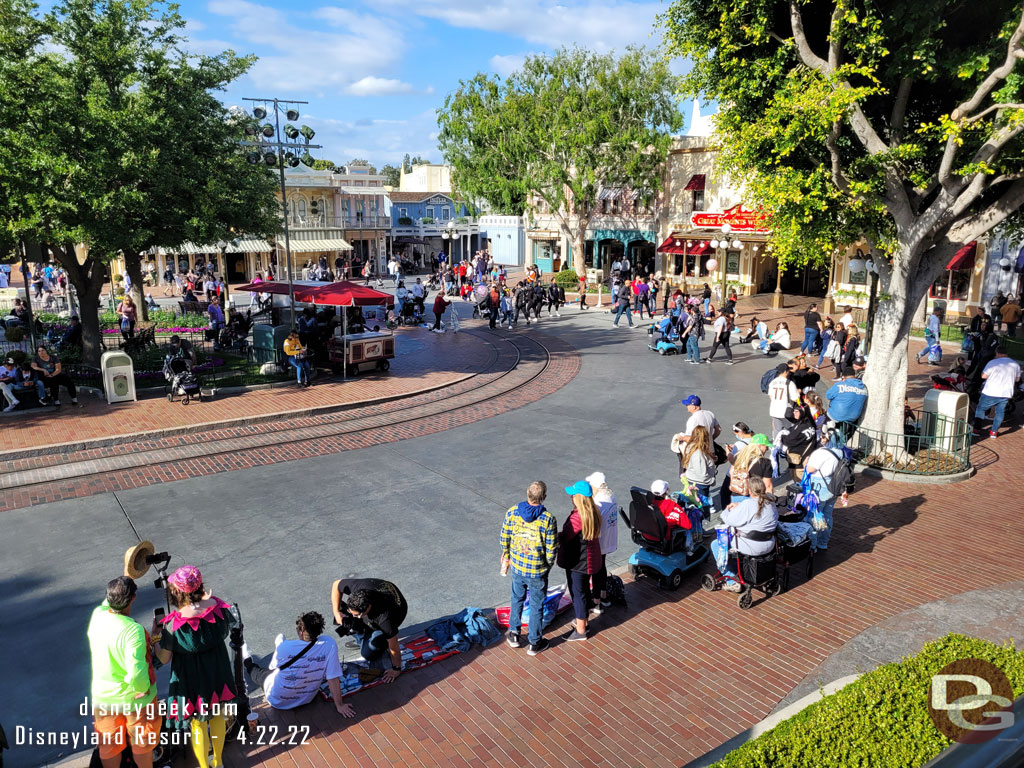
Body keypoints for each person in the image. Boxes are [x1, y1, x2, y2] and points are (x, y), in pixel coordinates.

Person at [151, 566, 235, 768]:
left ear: (177, 592)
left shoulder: (175, 625)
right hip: (217, 670)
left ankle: (205, 766)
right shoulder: (218, 608)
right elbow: (227, 630)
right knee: (216, 716)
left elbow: (163, 658)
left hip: (192, 678)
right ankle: (219, 762)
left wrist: (155, 638)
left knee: (197, 723)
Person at [87, 577, 160, 768]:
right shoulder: (133, 631)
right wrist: (142, 687)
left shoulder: (98, 616)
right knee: (141, 744)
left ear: (109, 598)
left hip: (105, 701)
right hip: (135, 702)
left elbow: (105, 604)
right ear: (134, 598)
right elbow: (137, 673)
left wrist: (126, 574)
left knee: (109, 746)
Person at [242, 611, 352, 717]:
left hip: (278, 700)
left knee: (257, 673)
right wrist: (340, 705)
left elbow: (273, 667)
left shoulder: (285, 647)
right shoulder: (329, 644)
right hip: (307, 698)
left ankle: (246, 658)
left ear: (300, 631)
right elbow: (333, 678)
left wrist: (280, 646)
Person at [500, 481, 558, 655]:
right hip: (537, 570)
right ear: (544, 497)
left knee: (516, 598)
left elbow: (504, 538)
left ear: (527, 494)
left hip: (518, 566)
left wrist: (507, 556)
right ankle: (534, 641)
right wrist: (548, 564)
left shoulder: (512, 512)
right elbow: (551, 548)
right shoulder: (548, 518)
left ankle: (514, 633)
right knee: (536, 604)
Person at [330, 578, 407, 681]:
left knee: (368, 652)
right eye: (351, 611)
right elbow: (336, 584)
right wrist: (336, 612)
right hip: (373, 613)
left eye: (357, 615)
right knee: (342, 615)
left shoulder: (384, 619)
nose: (353, 615)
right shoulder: (359, 588)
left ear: (368, 607)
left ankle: (373, 639)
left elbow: (394, 647)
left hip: (394, 615)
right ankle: (362, 636)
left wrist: (396, 669)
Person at [711, 476, 779, 591]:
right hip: (769, 545)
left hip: (750, 546)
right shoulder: (771, 503)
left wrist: (727, 510)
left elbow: (728, 520)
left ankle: (731, 579)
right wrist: (740, 506)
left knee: (715, 544)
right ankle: (740, 570)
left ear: (750, 490)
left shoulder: (748, 504)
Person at [557, 481, 602, 642]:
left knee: (578, 594)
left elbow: (565, 536)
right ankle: (583, 620)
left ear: (580, 498)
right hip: (589, 560)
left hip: (578, 563)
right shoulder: (594, 512)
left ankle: (581, 629)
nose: (571, 497)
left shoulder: (577, 518)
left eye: (574, 494)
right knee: (583, 592)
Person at [972, 346, 1021, 439]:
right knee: (1000, 412)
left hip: (990, 392)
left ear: (997, 353)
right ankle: (994, 432)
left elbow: (983, 376)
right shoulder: (1015, 364)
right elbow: (1017, 379)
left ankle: (976, 430)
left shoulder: (993, 362)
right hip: (1006, 393)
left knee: (980, 410)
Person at [584, 472, 617, 611]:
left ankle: (596, 600)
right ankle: (603, 595)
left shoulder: (598, 502)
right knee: (602, 566)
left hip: (600, 541)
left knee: (596, 569)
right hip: (609, 539)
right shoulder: (611, 496)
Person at [802, 446, 844, 550]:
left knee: (814, 515)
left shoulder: (821, 453)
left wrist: (805, 462)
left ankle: (812, 545)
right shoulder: (840, 451)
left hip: (819, 486)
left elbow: (809, 469)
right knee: (827, 515)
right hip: (833, 485)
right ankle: (823, 542)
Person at [649, 479, 696, 554]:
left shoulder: (646, 502)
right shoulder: (672, 506)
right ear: (666, 492)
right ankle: (689, 548)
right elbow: (688, 525)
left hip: (647, 534)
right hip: (663, 538)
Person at [728, 435, 774, 504]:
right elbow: (768, 486)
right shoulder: (765, 462)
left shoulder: (739, 456)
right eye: (766, 446)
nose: (767, 449)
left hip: (736, 495)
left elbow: (731, 472)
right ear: (760, 445)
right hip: (754, 498)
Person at [825, 367, 868, 441]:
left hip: (835, 416)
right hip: (852, 419)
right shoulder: (863, 388)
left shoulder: (839, 385)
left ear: (843, 377)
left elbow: (828, 395)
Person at [780, 404, 819, 482]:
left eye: (797, 411)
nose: (794, 413)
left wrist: (782, 436)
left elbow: (789, 440)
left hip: (798, 459)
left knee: (798, 480)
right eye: (793, 411)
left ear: (802, 412)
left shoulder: (802, 427)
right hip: (800, 458)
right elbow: (788, 415)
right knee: (798, 478)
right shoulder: (808, 423)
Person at [768, 364, 800, 438]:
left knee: (777, 430)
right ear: (785, 371)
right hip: (786, 411)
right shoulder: (789, 383)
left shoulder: (772, 382)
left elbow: (771, 396)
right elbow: (795, 398)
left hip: (774, 410)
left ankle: (776, 446)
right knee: (791, 430)